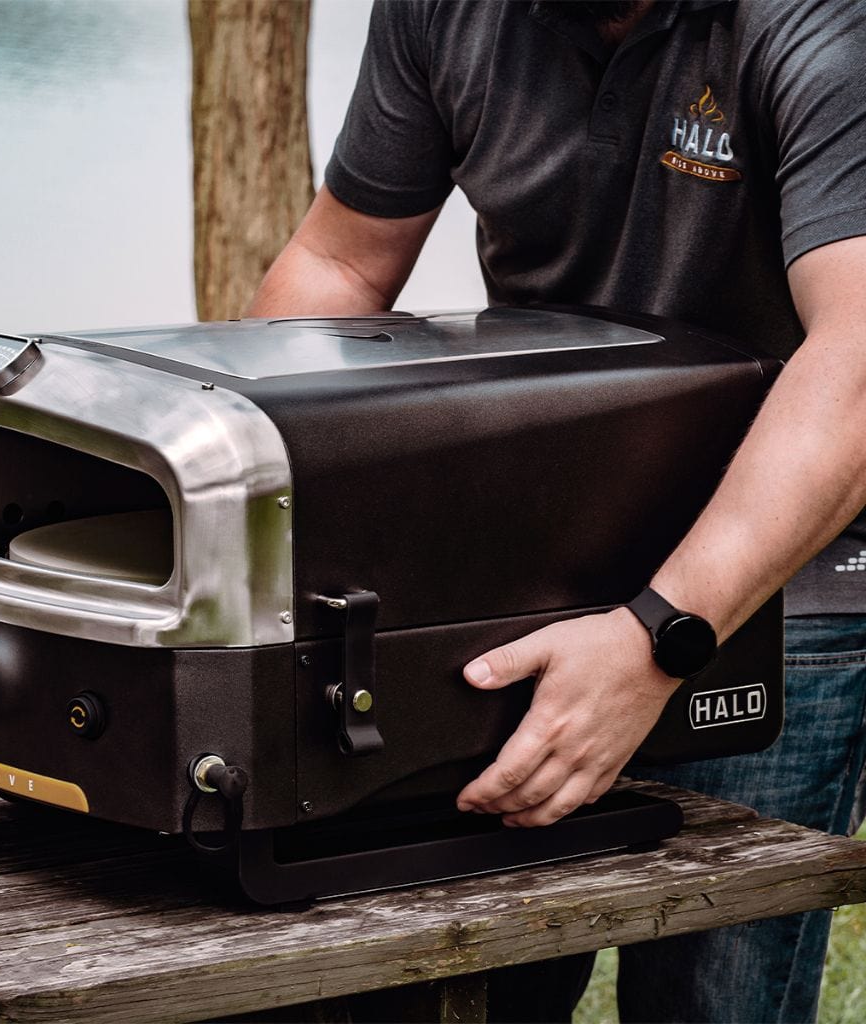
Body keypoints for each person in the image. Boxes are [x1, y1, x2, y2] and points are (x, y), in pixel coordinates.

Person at [247, 1, 866, 1020]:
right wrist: (256, 500)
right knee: (474, 980)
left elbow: (856, 361)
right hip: (536, 564)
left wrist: (658, 634)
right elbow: (340, 265)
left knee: (708, 999)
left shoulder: (820, 24)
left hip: (778, 585)